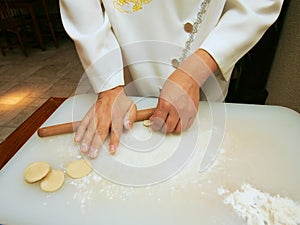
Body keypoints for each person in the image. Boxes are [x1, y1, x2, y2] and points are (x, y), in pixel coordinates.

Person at [59, 0, 283, 158]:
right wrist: (109, 85)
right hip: (125, 65)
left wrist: (193, 72)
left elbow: (257, 4)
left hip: (205, 63)